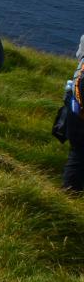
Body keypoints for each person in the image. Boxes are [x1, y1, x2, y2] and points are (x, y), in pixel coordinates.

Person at [62, 35, 84, 192]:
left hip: (75, 102)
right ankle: (70, 192)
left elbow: (80, 56)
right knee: (79, 152)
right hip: (79, 108)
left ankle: (70, 192)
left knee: (77, 152)